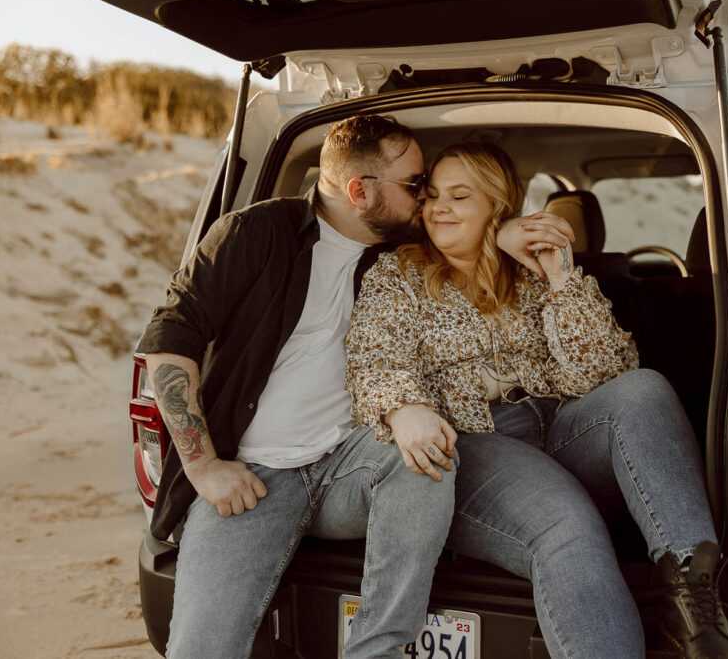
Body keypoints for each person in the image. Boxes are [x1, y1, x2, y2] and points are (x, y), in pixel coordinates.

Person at [136, 115, 580, 658]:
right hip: (250, 479)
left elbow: (465, 226)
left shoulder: (399, 248)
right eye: (415, 185)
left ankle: (377, 650)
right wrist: (204, 467)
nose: (426, 201)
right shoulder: (254, 233)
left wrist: (503, 230)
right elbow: (167, 341)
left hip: (352, 463)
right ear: (359, 192)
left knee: (423, 454)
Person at [345, 141, 728, 659]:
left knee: (643, 390)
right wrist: (404, 408)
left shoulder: (528, 276)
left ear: (497, 206)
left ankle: (692, 596)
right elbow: (373, 360)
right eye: (434, 195)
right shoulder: (398, 276)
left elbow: (603, 372)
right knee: (568, 526)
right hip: (473, 444)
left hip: (555, 429)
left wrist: (557, 276)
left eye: (460, 196)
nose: (439, 207)